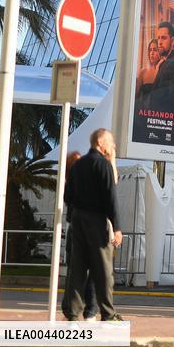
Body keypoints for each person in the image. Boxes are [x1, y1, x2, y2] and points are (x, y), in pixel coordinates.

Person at [63, 128, 123, 322]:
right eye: (110, 142)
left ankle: (72, 313)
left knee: (77, 268)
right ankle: (108, 313)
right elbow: (111, 198)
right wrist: (117, 227)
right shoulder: (103, 165)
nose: (112, 146)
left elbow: (67, 196)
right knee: (104, 270)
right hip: (96, 220)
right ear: (100, 142)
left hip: (77, 220)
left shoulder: (78, 166)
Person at [64, 151, 98, 321]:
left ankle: (88, 310)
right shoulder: (72, 184)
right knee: (76, 273)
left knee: (90, 272)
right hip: (79, 231)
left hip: (89, 230)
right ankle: (74, 311)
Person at [152, 21, 174, 90]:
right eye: (158, 38)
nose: (160, 42)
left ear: (172, 41)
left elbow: (169, 98)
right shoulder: (163, 62)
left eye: (163, 38)